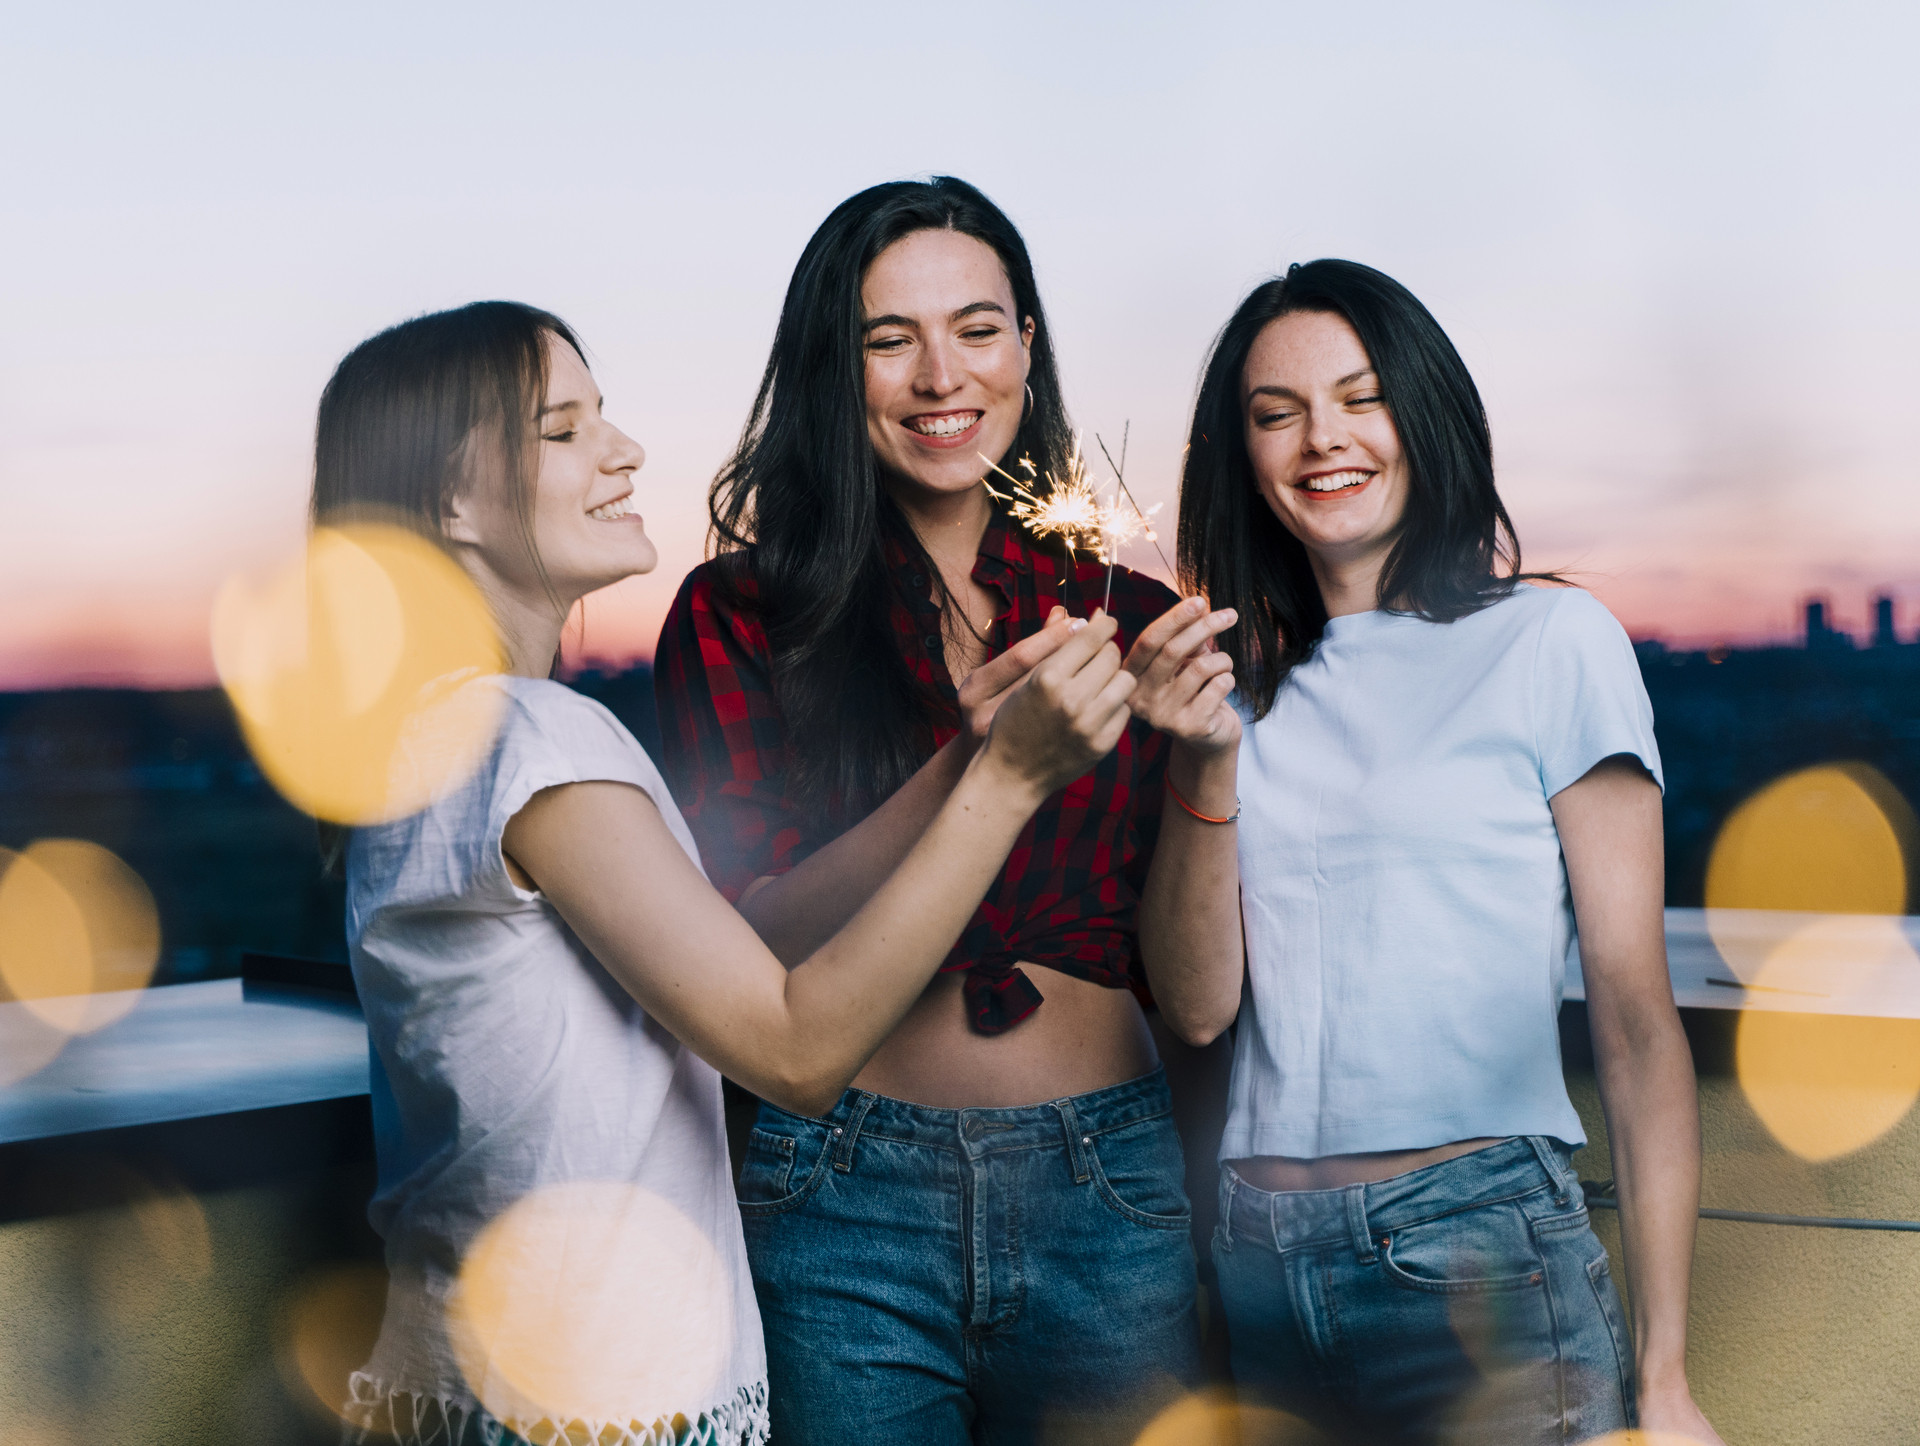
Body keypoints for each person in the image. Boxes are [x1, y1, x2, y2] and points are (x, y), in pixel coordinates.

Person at [320, 301, 1138, 1446]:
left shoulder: (430, 739)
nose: (624, 451)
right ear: (453, 503)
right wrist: (1009, 784)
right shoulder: (537, 743)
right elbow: (795, 1051)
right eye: (563, 430)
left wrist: (965, 759)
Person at [652, 177, 1240, 1444]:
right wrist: (977, 762)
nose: (940, 376)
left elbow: (1196, 1005)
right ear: (835, 366)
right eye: (888, 338)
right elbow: (746, 942)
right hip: (841, 1196)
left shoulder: (1124, 618)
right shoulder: (741, 616)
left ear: (1026, 345)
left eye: (977, 329)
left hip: (1110, 1189)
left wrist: (1207, 768)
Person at [1158, 260, 1727, 1445]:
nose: (1323, 439)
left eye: (1361, 398)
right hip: (1258, 1268)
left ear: (1427, 414)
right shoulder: (1228, 691)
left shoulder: (1552, 641)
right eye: (1277, 413)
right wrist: (1200, 764)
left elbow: (1633, 1019)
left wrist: (1667, 1380)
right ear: (1243, 457)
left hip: (1481, 1259)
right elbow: (1199, 1008)